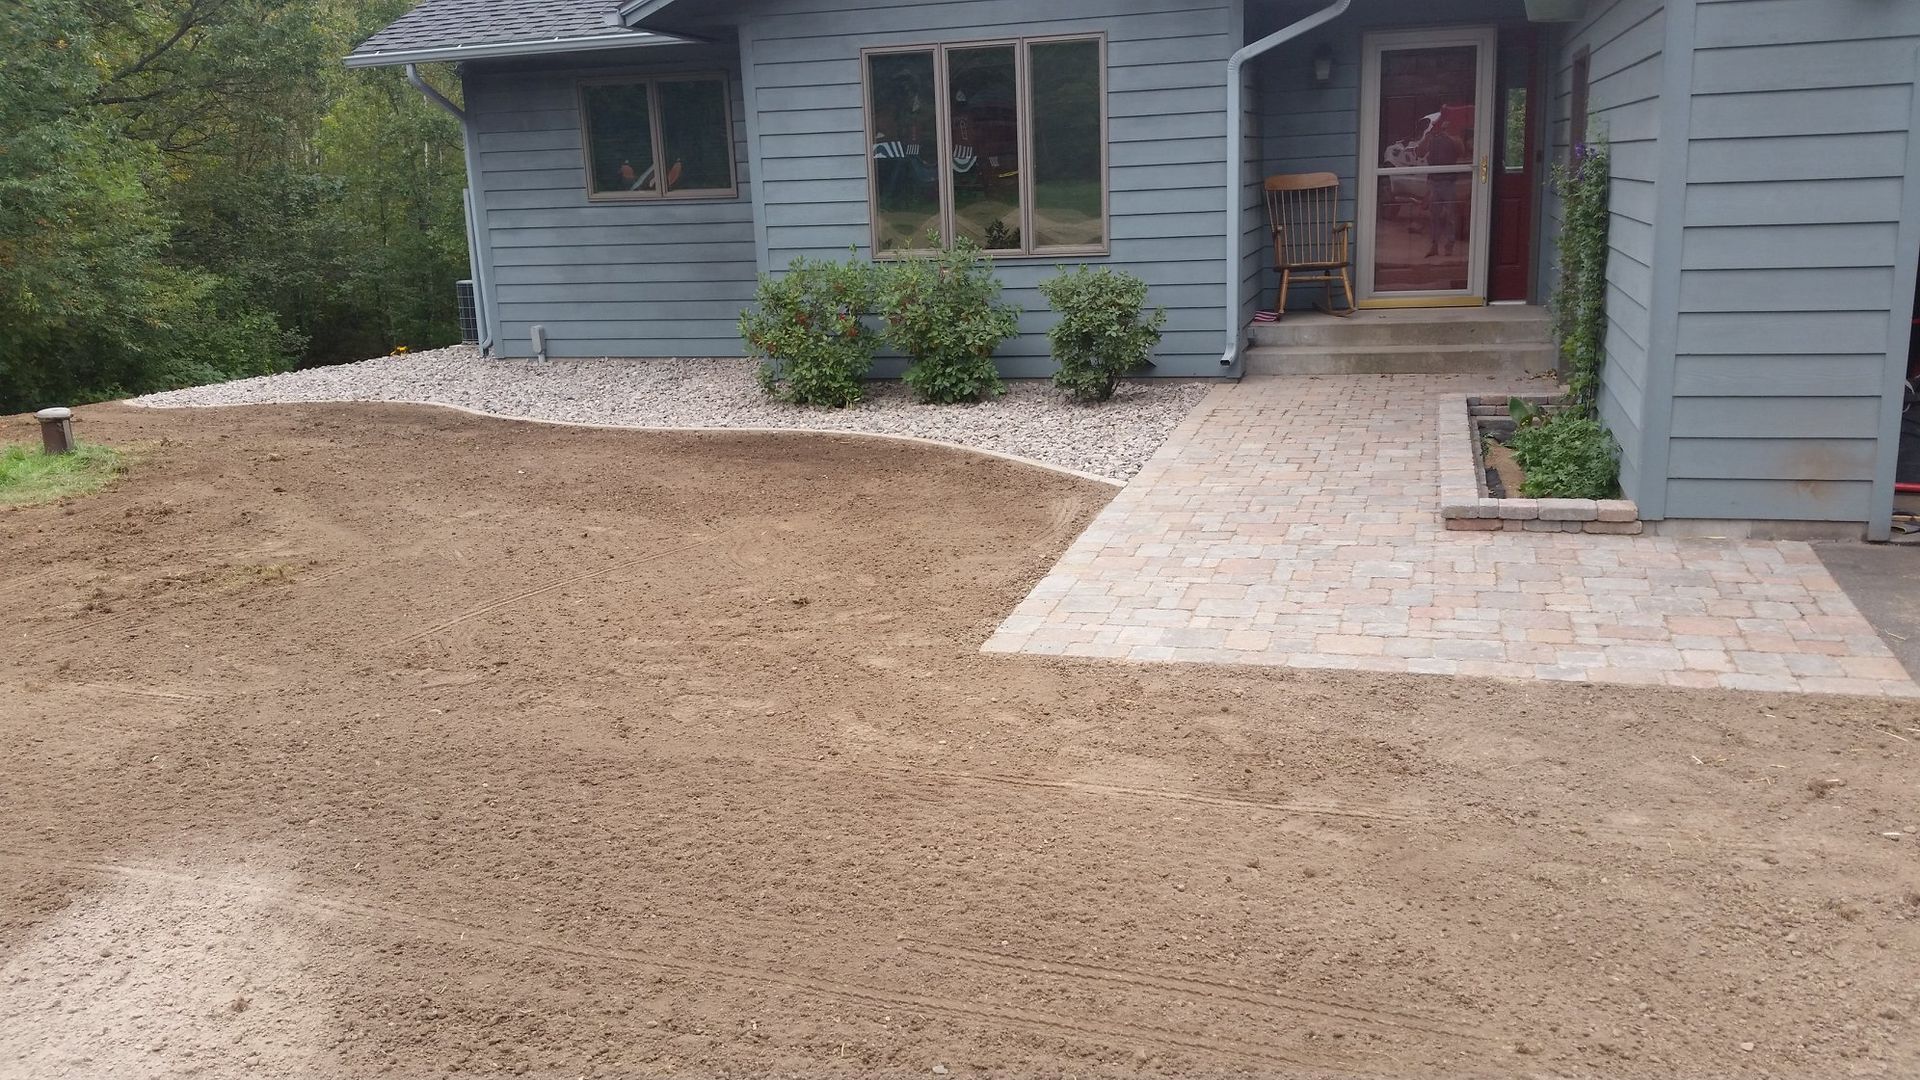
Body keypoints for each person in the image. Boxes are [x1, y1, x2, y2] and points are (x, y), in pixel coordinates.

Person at [1419, 115, 1466, 258]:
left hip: (1449, 182)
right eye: (1440, 126)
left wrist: (1449, 135)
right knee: (1434, 216)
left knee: (1451, 216)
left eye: (1445, 126)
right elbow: (1420, 152)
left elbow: (1461, 151)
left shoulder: (1455, 139)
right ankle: (1434, 246)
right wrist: (1428, 136)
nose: (1442, 128)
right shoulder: (1432, 139)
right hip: (1434, 182)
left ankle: (1449, 246)